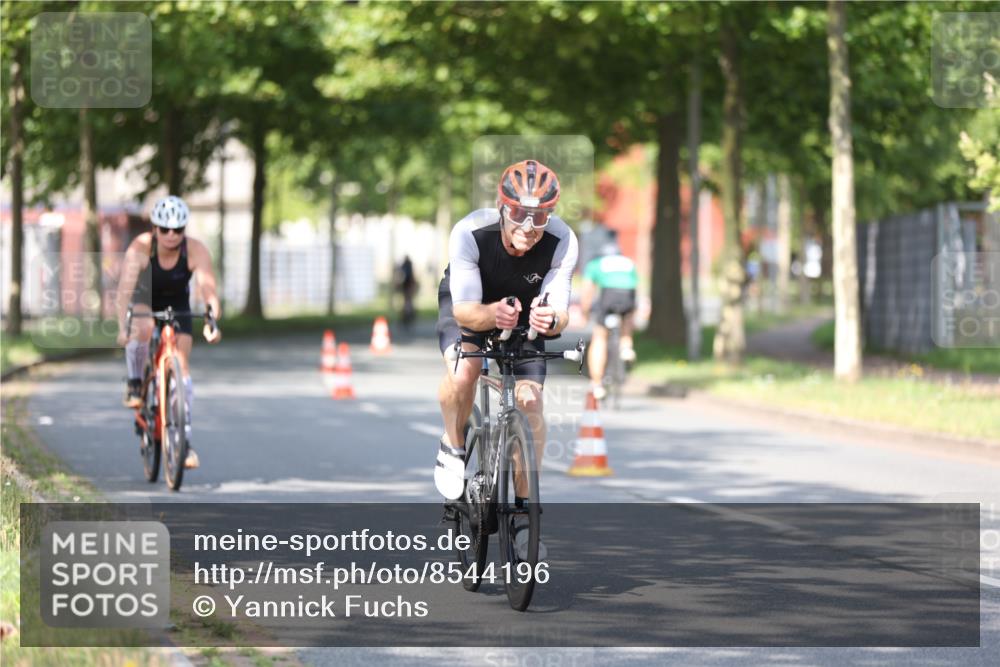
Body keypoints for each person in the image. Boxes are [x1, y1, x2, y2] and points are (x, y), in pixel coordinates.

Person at [434, 159, 577, 555]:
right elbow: (464, 310)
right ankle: (453, 442)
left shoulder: (563, 241)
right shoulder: (470, 232)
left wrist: (551, 319)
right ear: (502, 207)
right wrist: (492, 314)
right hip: (471, 304)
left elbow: (561, 308)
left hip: (526, 313)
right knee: (466, 372)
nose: (529, 228)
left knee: (530, 402)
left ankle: (521, 514)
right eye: (518, 214)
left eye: (541, 216)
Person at [116, 195, 222, 469]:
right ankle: (135, 381)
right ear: (155, 228)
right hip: (145, 297)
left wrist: (212, 321)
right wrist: (121, 328)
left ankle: (184, 442)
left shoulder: (195, 249)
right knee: (144, 327)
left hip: (178, 304)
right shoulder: (141, 247)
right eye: (165, 229)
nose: (172, 235)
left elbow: (209, 289)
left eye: (178, 229)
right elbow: (124, 292)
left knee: (182, 367)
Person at [580, 241, 638, 400]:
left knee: (599, 337)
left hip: (608, 296)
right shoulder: (629, 263)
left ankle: (597, 384)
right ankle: (627, 347)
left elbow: (587, 291)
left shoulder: (595, 264)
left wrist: (585, 313)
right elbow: (635, 287)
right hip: (628, 296)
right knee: (626, 321)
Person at [396, 255, 417, 329]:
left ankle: (407, 316)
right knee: (408, 302)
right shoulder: (408, 266)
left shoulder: (404, 266)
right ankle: (408, 315)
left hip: (406, 286)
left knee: (407, 302)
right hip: (408, 286)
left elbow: (402, 276)